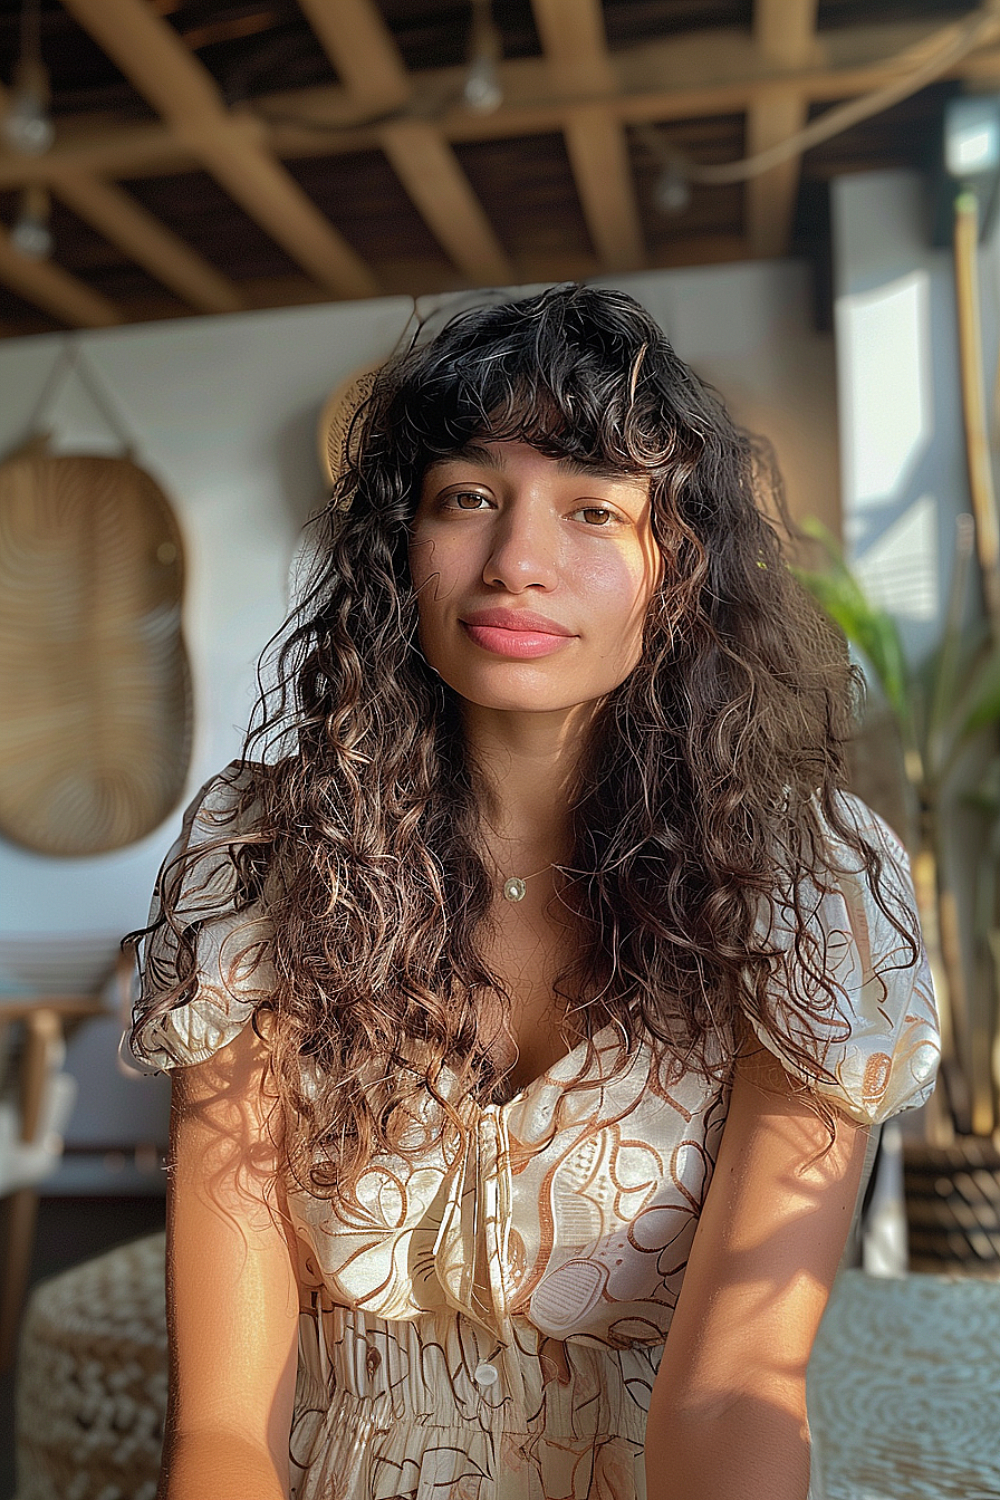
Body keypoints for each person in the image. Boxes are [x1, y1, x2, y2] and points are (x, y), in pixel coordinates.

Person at [128, 283, 939, 1500]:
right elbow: (222, 1430)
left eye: (594, 512)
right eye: (468, 499)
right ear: (401, 547)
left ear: (679, 573)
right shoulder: (263, 857)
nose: (515, 563)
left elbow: (733, 1392)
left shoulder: (803, 886)